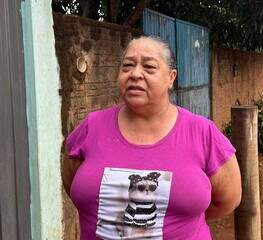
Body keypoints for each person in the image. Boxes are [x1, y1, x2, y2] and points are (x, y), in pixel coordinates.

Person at [62, 36, 242, 240]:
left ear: (171, 77)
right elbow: (72, 183)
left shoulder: (203, 133)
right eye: (127, 66)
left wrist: (181, 220)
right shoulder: (90, 127)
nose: (135, 74)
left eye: (149, 67)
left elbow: (228, 199)